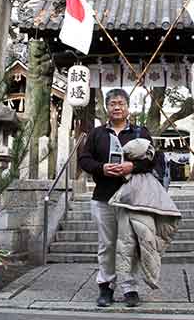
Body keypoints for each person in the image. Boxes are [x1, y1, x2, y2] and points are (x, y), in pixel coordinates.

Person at [77, 89, 156, 308]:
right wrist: (101, 168)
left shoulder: (140, 132)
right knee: (107, 244)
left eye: (121, 103)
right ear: (107, 107)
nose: (117, 107)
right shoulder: (97, 133)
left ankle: (130, 287)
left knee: (130, 243)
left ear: (128, 107)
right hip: (103, 197)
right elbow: (84, 159)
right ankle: (106, 287)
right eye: (113, 103)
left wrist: (133, 166)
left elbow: (153, 159)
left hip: (132, 198)